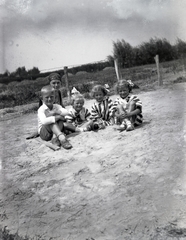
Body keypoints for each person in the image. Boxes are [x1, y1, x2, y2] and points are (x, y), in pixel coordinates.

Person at [38, 85, 76, 149]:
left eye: (51, 97)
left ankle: (55, 138)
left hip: (54, 132)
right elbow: (44, 121)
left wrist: (56, 112)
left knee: (59, 119)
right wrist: (57, 117)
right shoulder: (41, 109)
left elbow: (66, 112)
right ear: (42, 98)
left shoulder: (56, 106)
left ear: (54, 97)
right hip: (45, 133)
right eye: (47, 97)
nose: (49, 99)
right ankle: (62, 138)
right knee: (51, 121)